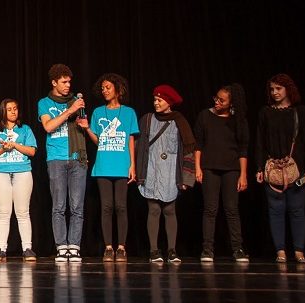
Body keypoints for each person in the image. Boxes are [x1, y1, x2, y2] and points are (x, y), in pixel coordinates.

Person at [81, 73, 139, 262]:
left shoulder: (128, 112)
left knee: (121, 207)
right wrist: (87, 128)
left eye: (108, 87)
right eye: (103, 88)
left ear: (117, 89)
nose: (104, 90)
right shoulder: (98, 112)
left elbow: (131, 139)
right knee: (106, 207)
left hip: (122, 165)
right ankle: (108, 248)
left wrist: (133, 165)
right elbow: (99, 141)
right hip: (103, 166)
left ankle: (121, 247)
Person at [255, 73, 305, 263]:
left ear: (288, 89)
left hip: (296, 169)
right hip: (272, 168)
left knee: (297, 210)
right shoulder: (266, 112)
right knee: (275, 210)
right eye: (272, 89)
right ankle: (280, 251)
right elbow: (260, 142)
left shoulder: (300, 112)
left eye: (278, 88)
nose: (275, 92)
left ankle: (299, 251)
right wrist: (259, 168)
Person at [136, 84, 195, 263]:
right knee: (153, 209)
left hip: (171, 173)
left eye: (160, 100)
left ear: (169, 102)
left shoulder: (179, 121)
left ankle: (172, 250)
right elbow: (139, 147)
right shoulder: (147, 119)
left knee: (170, 210)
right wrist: (138, 172)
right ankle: (154, 251)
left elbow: (189, 150)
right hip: (151, 171)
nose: (156, 103)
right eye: (155, 99)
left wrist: (187, 177)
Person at [37, 64, 88, 263]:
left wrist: (82, 120)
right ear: (54, 82)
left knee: (77, 206)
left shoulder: (77, 101)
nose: (68, 85)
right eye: (64, 82)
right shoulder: (44, 103)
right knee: (59, 206)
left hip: (77, 158)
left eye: (69, 82)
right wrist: (70, 111)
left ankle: (74, 246)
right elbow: (48, 126)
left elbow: (82, 127)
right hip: (56, 159)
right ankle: (61, 246)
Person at [194, 83, 250, 263]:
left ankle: (238, 248)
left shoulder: (238, 120)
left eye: (222, 100)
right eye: (216, 98)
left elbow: (243, 149)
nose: (217, 102)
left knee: (232, 210)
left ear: (231, 103)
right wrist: (197, 168)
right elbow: (198, 145)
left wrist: (243, 174)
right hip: (209, 168)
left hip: (232, 169)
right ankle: (207, 249)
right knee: (210, 210)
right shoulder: (204, 116)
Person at [0, 98, 38, 262]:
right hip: (1, 173)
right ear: (3, 112)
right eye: (9, 109)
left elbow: (32, 151)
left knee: (22, 212)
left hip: (22, 172)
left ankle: (27, 248)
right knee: (3, 213)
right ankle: (0, 248)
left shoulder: (25, 129)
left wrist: (14, 145)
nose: (13, 112)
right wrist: (3, 148)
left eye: (15, 108)